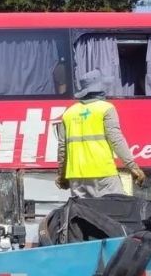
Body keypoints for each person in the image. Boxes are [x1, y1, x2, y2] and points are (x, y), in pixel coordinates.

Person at [56, 69, 146, 198]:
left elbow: (62, 149)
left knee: (83, 216)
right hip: (103, 174)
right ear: (101, 88)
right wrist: (133, 167)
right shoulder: (106, 108)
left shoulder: (69, 113)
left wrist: (62, 175)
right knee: (115, 212)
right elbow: (116, 140)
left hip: (76, 177)